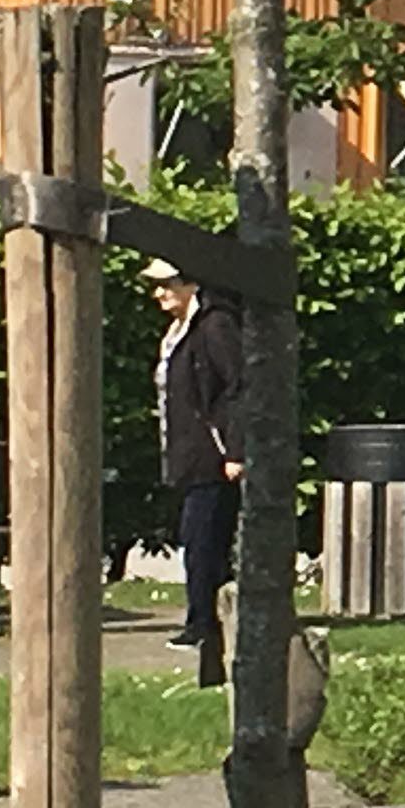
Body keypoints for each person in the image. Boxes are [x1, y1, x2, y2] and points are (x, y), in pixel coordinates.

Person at [150, 269, 242, 684]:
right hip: (189, 455)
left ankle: (203, 621)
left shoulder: (215, 327)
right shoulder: (176, 332)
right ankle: (211, 619)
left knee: (202, 538)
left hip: (214, 454)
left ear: (191, 285)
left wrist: (236, 450)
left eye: (167, 285)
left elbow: (237, 386)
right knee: (198, 538)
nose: (159, 294)